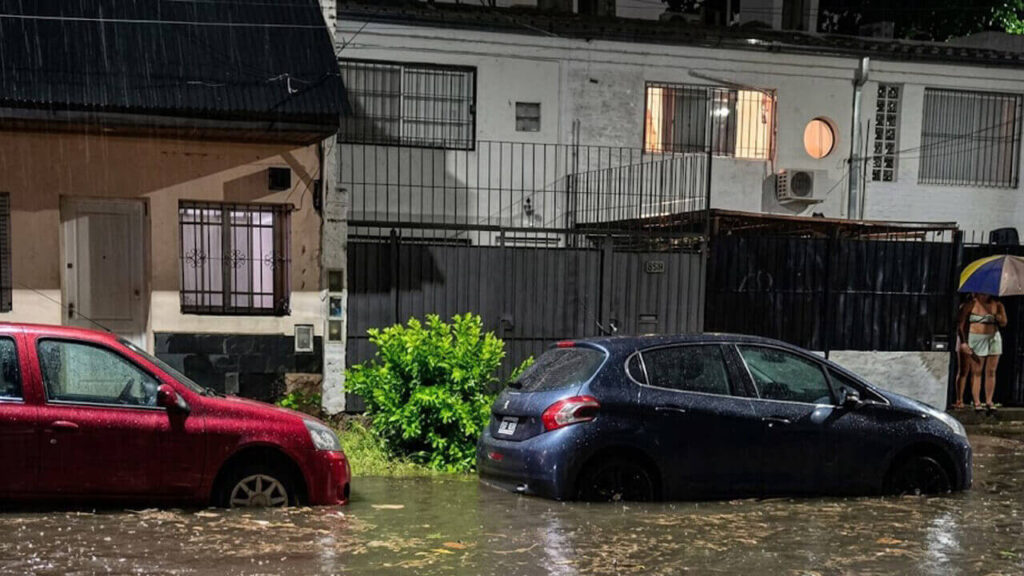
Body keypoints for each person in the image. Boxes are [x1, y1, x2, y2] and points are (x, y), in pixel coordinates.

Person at [966, 293, 1008, 413]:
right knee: (977, 371)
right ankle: (977, 401)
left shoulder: (997, 305)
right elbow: (961, 322)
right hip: (976, 338)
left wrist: (999, 318)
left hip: (993, 337)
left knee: (991, 371)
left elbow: (1004, 322)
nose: (984, 294)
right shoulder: (971, 304)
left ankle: (989, 400)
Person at [953, 293, 976, 410]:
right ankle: (959, 399)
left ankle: (974, 399)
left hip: (978, 340)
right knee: (964, 370)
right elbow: (960, 325)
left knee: (975, 371)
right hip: (966, 339)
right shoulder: (967, 305)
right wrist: (963, 342)